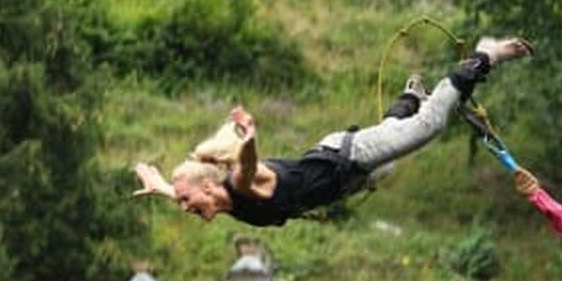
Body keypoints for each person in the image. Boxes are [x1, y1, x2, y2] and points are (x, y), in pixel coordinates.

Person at [133, 37, 532, 227]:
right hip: (352, 177)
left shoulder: (240, 181)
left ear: (206, 188)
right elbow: (187, 191)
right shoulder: (222, 199)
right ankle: (409, 99)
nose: (184, 207)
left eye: (186, 201)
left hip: (347, 156)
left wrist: (250, 137)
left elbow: (246, 166)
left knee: (429, 128)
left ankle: (486, 54)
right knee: (392, 155)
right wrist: (160, 186)